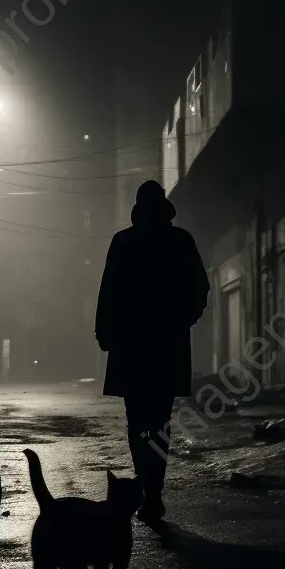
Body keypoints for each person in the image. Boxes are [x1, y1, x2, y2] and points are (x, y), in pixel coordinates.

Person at [95, 180, 210, 524]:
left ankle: (147, 491)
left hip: (131, 348)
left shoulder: (124, 241)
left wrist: (106, 332)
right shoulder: (180, 240)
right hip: (165, 348)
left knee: (138, 423)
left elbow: (108, 291)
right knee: (158, 423)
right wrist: (179, 322)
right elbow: (199, 290)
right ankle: (152, 495)